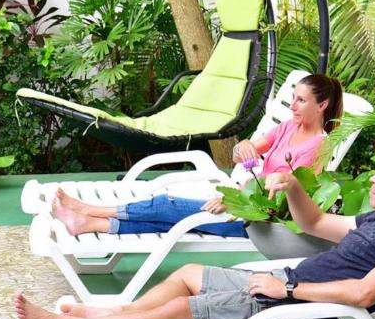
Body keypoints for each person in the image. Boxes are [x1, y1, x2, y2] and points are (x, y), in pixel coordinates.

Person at [16, 147, 375, 319]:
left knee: (183, 312)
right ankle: (114, 315)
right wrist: (293, 187)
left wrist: (289, 292)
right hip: (283, 285)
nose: (373, 179)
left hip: (308, 313)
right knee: (187, 275)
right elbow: (313, 223)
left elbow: (365, 293)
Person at [51, 73, 345, 238]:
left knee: (165, 205)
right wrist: (245, 145)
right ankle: (87, 224)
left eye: (301, 100)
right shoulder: (288, 127)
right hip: (243, 200)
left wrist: (234, 199)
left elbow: (285, 194)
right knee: (165, 218)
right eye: (292, 97)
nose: (293, 105)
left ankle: (88, 210)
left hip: (261, 221)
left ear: (322, 105)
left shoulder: (318, 146)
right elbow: (252, 148)